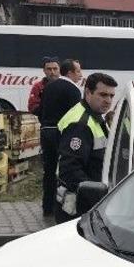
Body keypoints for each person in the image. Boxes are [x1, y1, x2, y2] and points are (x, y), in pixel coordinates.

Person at [54, 72, 117, 223]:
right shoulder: (80, 124)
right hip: (79, 207)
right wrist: (98, 194)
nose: (108, 100)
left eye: (111, 96)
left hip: (85, 203)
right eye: (102, 94)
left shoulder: (94, 116)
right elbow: (69, 170)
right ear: (88, 92)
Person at [39, 59, 86, 217]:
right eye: (78, 71)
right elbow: (75, 116)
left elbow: (41, 108)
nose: (80, 75)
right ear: (70, 73)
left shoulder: (49, 86)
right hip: (60, 134)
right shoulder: (73, 90)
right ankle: (61, 206)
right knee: (64, 170)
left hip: (46, 131)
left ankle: (47, 207)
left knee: (49, 170)